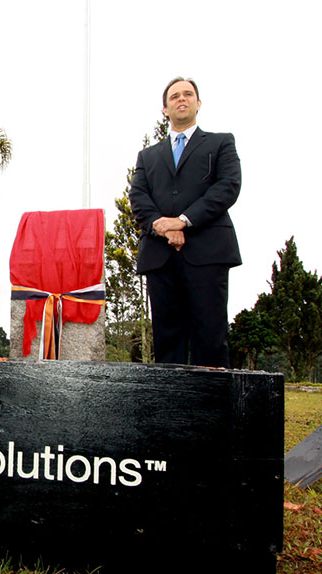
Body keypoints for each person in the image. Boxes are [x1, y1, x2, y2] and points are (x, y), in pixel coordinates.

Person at [129, 77, 242, 368]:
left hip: (207, 253)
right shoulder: (148, 156)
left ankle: (212, 407)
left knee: (210, 335)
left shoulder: (221, 143)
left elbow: (228, 186)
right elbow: (139, 196)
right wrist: (161, 226)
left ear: (198, 103)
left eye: (188, 94)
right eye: (175, 96)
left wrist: (182, 222)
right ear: (165, 109)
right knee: (167, 337)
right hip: (160, 256)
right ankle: (170, 407)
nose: (182, 99)